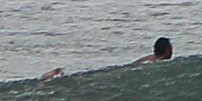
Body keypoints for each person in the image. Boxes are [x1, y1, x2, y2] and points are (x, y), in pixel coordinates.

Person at [41, 37, 173, 79]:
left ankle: (56, 75)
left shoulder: (147, 59)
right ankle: (54, 76)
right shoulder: (154, 63)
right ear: (167, 50)